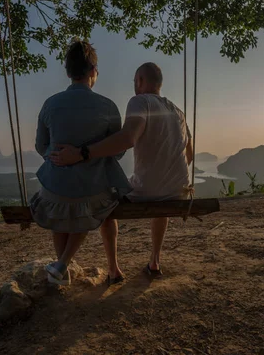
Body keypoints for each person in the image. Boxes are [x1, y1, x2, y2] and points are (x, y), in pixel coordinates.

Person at [50, 62, 193, 282]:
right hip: (177, 190)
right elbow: (189, 154)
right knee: (160, 196)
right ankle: (154, 261)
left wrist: (82, 153)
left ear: (140, 81)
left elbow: (127, 139)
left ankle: (114, 269)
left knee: (104, 197)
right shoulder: (178, 111)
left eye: (135, 81)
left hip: (147, 191)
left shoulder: (139, 101)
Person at [31, 39, 132, 286]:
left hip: (54, 194)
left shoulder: (50, 104)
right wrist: (90, 156)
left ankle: (60, 266)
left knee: (62, 207)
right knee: (100, 204)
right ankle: (71, 265)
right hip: (91, 196)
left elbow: (40, 146)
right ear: (93, 71)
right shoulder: (108, 106)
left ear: (67, 73)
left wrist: (55, 157)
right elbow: (117, 152)